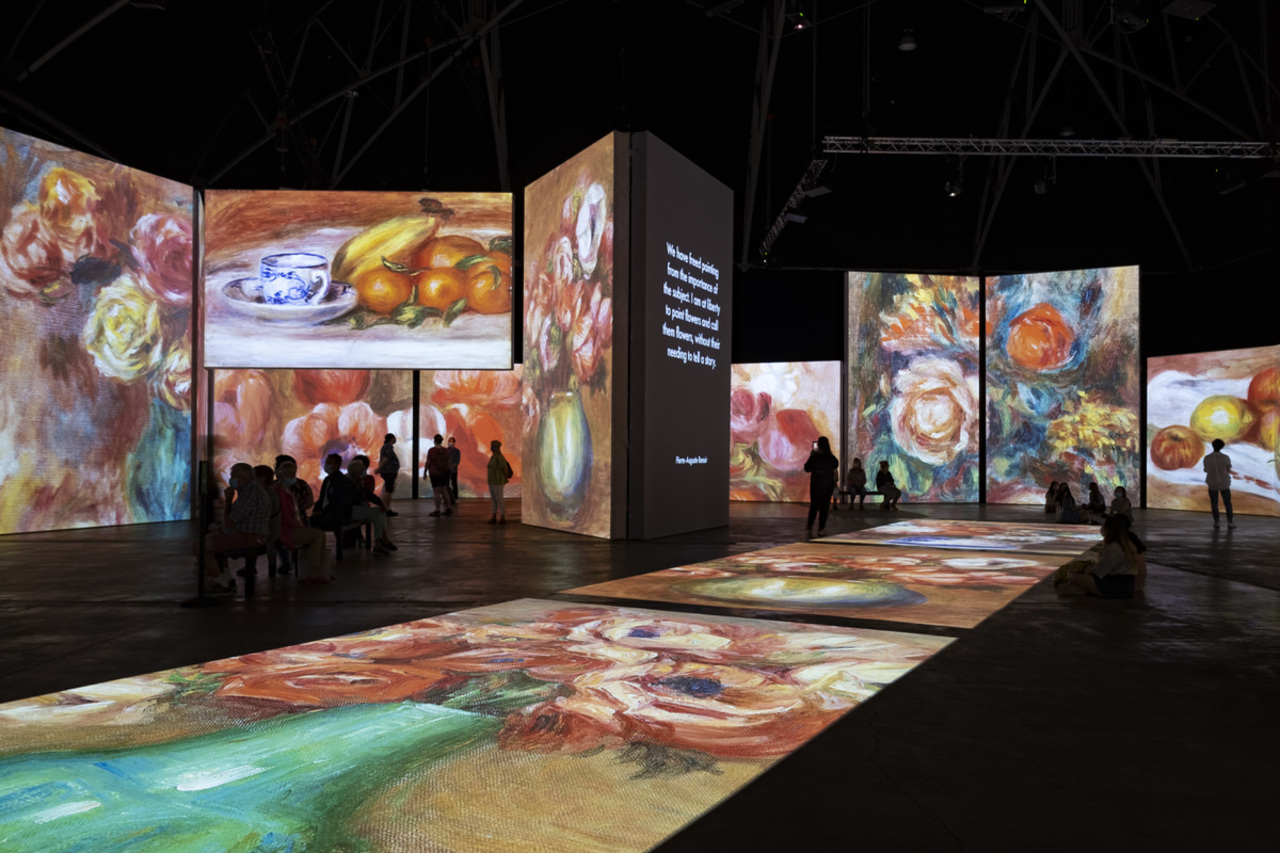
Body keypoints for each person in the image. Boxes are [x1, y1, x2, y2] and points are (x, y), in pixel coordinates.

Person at [200, 462, 270, 595]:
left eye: (234, 476)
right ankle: (227, 580)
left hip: (250, 537)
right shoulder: (249, 491)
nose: (231, 479)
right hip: (249, 534)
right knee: (211, 539)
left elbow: (229, 523)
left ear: (245, 478)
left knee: (200, 545)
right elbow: (235, 520)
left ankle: (221, 582)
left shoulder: (250, 494)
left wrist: (228, 500)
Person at [272, 458, 330, 582]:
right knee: (317, 535)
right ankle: (312, 570)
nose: (292, 477)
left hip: (291, 526)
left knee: (320, 534)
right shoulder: (279, 490)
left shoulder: (287, 489)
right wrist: (298, 525)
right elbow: (283, 516)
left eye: (293, 474)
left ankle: (321, 569)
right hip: (284, 530)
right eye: (290, 474)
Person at [1066, 515, 1140, 598]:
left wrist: (1086, 570)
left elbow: (1099, 571)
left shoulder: (1113, 547)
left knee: (1073, 576)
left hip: (1115, 586)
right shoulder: (1125, 545)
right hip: (1125, 585)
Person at [346, 458, 395, 555]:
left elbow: (369, 495)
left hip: (358, 510)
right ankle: (382, 541)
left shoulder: (357, 482)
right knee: (379, 512)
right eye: (361, 472)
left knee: (380, 514)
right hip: (351, 511)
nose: (362, 474)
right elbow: (358, 498)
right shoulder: (349, 483)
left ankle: (379, 542)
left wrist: (381, 504)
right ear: (355, 472)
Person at [311, 453, 356, 533]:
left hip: (339, 516)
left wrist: (324, 511)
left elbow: (339, 502)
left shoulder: (341, 481)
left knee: (312, 522)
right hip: (328, 513)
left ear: (337, 465)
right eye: (326, 463)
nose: (326, 465)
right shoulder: (327, 480)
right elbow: (322, 498)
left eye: (329, 463)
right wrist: (316, 509)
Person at [803, 437, 839, 535]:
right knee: (824, 507)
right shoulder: (830, 457)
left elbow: (806, 468)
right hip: (827, 485)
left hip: (816, 485)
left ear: (818, 445)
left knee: (814, 505)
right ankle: (821, 528)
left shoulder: (815, 457)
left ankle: (810, 524)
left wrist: (812, 456)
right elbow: (836, 464)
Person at [1203, 438, 1236, 529]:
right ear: (1222, 447)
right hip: (1224, 483)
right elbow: (1228, 469)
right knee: (1227, 503)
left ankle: (1216, 522)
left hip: (1212, 482)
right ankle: (1230, 522)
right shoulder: (1225, 457)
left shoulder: (1207, 458)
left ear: (1213, 446)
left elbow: (1206, 470)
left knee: (1214, 503)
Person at [426, 434, 454, 517]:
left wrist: (425, 472)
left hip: (434, 473)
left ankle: (437, 510)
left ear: (434, 441)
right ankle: (448, 508)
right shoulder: (446, 451)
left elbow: (428, 462)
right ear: (441, 441)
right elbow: (449, 462)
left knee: (436, 491)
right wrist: (449, 472)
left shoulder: (431, 451)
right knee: (445, 490)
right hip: (445, 472)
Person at [487, 439, 513, 524]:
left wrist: (504, 477)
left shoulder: (500, 457)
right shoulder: (493, 457)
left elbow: (504, 469)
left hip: (498, 481)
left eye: (494, 446)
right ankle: (494, 516)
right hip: (492, 481)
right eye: (493, 446)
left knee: (499, 499)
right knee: (494, 499)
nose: (493, 448)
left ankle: (503, 516)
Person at [377, 433, 400, 517]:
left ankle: (386, 508)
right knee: (388, 491)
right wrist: (379, 468)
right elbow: (386, 458)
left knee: (387, 490)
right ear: (391, 439)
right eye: (394, 438)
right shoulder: (388, 447)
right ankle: (385, 508)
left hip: (388, 472)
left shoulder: (386, 447)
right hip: (389, 472)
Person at [447, 436, 462, 501]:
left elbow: (457, 461)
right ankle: (446, 498)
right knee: (446, 484)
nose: (449, 442)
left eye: (451, 441)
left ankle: (455, 498)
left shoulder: (457, 451)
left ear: (454, 442)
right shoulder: (446, 450)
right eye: (449, 441)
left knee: (454, 484)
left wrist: (452, 466)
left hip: (454, 471)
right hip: (446, 470)